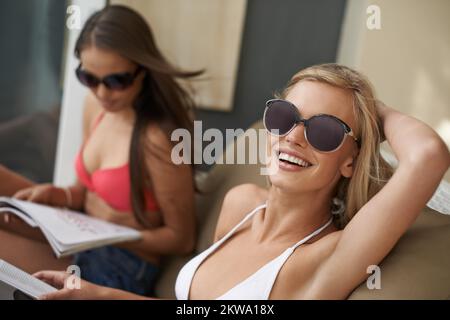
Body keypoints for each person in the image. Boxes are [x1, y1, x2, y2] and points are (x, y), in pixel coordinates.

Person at [34, 64, 450, 299]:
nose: (293, 136)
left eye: (325, 131)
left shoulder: (328, 256)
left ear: (349, 162)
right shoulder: (240, 203)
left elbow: (428, 156)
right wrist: (94, 294)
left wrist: (366, 105)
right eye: (284, 117)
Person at [0, 5, 199, 296]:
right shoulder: (95, 108)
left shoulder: (157, 140)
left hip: (120, 262)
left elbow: (182, 239)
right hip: (84, 234)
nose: (102, 93)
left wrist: (121, 234)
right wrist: (61, 195)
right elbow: (84, 190)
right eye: (89, 78)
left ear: (143, 70)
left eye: (117, 81)